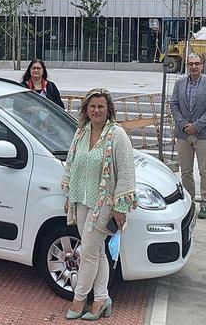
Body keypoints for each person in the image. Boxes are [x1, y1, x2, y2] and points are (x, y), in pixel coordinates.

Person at [61, 88, 136, 320]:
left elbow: (126, 172)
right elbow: (71, 163)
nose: (96, 110)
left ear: (108, 109)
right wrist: (68, 195)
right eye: (92, 106)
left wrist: (120, 207)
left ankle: (79, 300)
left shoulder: (117, 135)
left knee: (89, 252)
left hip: (104, 204)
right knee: (97, 252)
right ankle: (102, 299)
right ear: (86, 109)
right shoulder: (81, 133)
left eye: (101, 106)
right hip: (82, 200)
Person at [169, 53, 206, 220]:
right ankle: (189, 202)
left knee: (205, 171)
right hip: (183, 134)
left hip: (203, 134)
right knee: (186, 171)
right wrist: (183, 124)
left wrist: (196, 126)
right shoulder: (179, 83)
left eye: (197, 63)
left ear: (202, 65)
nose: (194, 67)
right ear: (187, 66)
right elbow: (174, 104)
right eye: (191, 64)